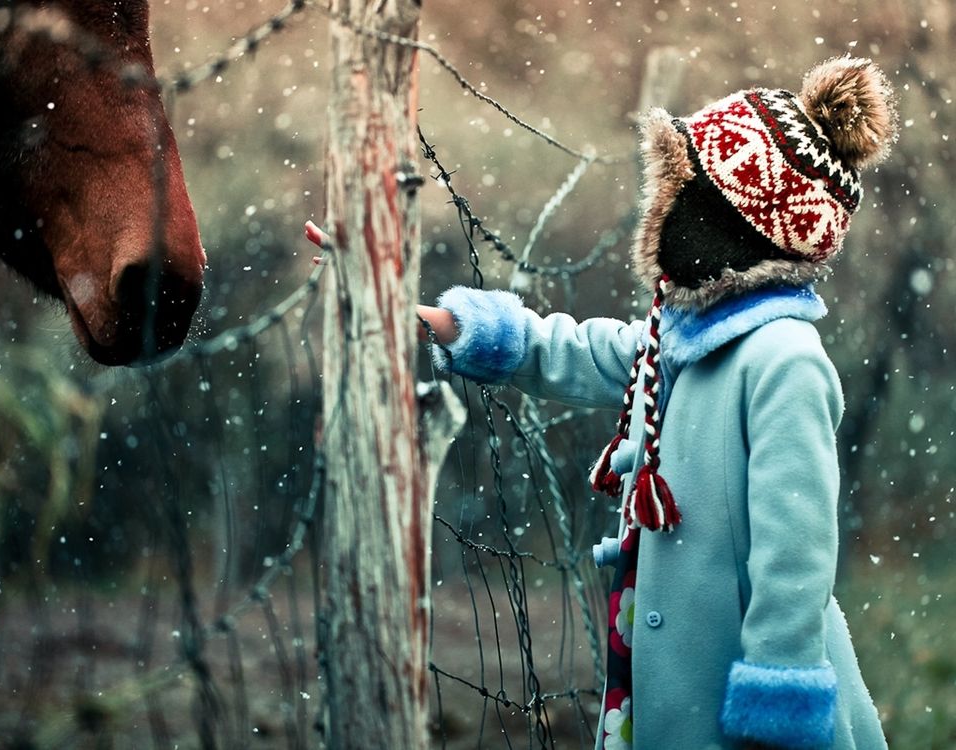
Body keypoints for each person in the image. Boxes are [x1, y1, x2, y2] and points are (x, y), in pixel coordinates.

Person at [309, 56, 895, 749]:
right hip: (672, 684)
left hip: (742, 709)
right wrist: (429, 318)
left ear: (739, 222)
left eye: (686, 194)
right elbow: (571, 350)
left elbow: (795, 556)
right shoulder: (678, 341)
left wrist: (775, 700)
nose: (667, 212)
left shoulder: (782, 361)